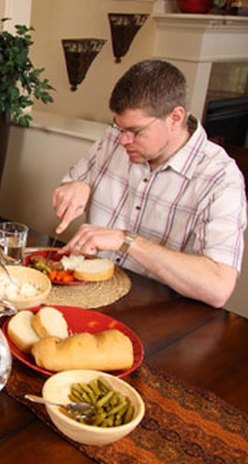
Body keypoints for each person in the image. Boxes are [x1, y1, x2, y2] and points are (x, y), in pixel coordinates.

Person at [53, 59, 246, 308]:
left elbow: (218, 287)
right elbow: (72, 184)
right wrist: (77, 186)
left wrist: (128, 241)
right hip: (91, 295)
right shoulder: (116, 139)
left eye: (136, 131)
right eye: (119, 127)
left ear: (175, 117)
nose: (123, 140)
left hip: (161, 313)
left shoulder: (220, 178)